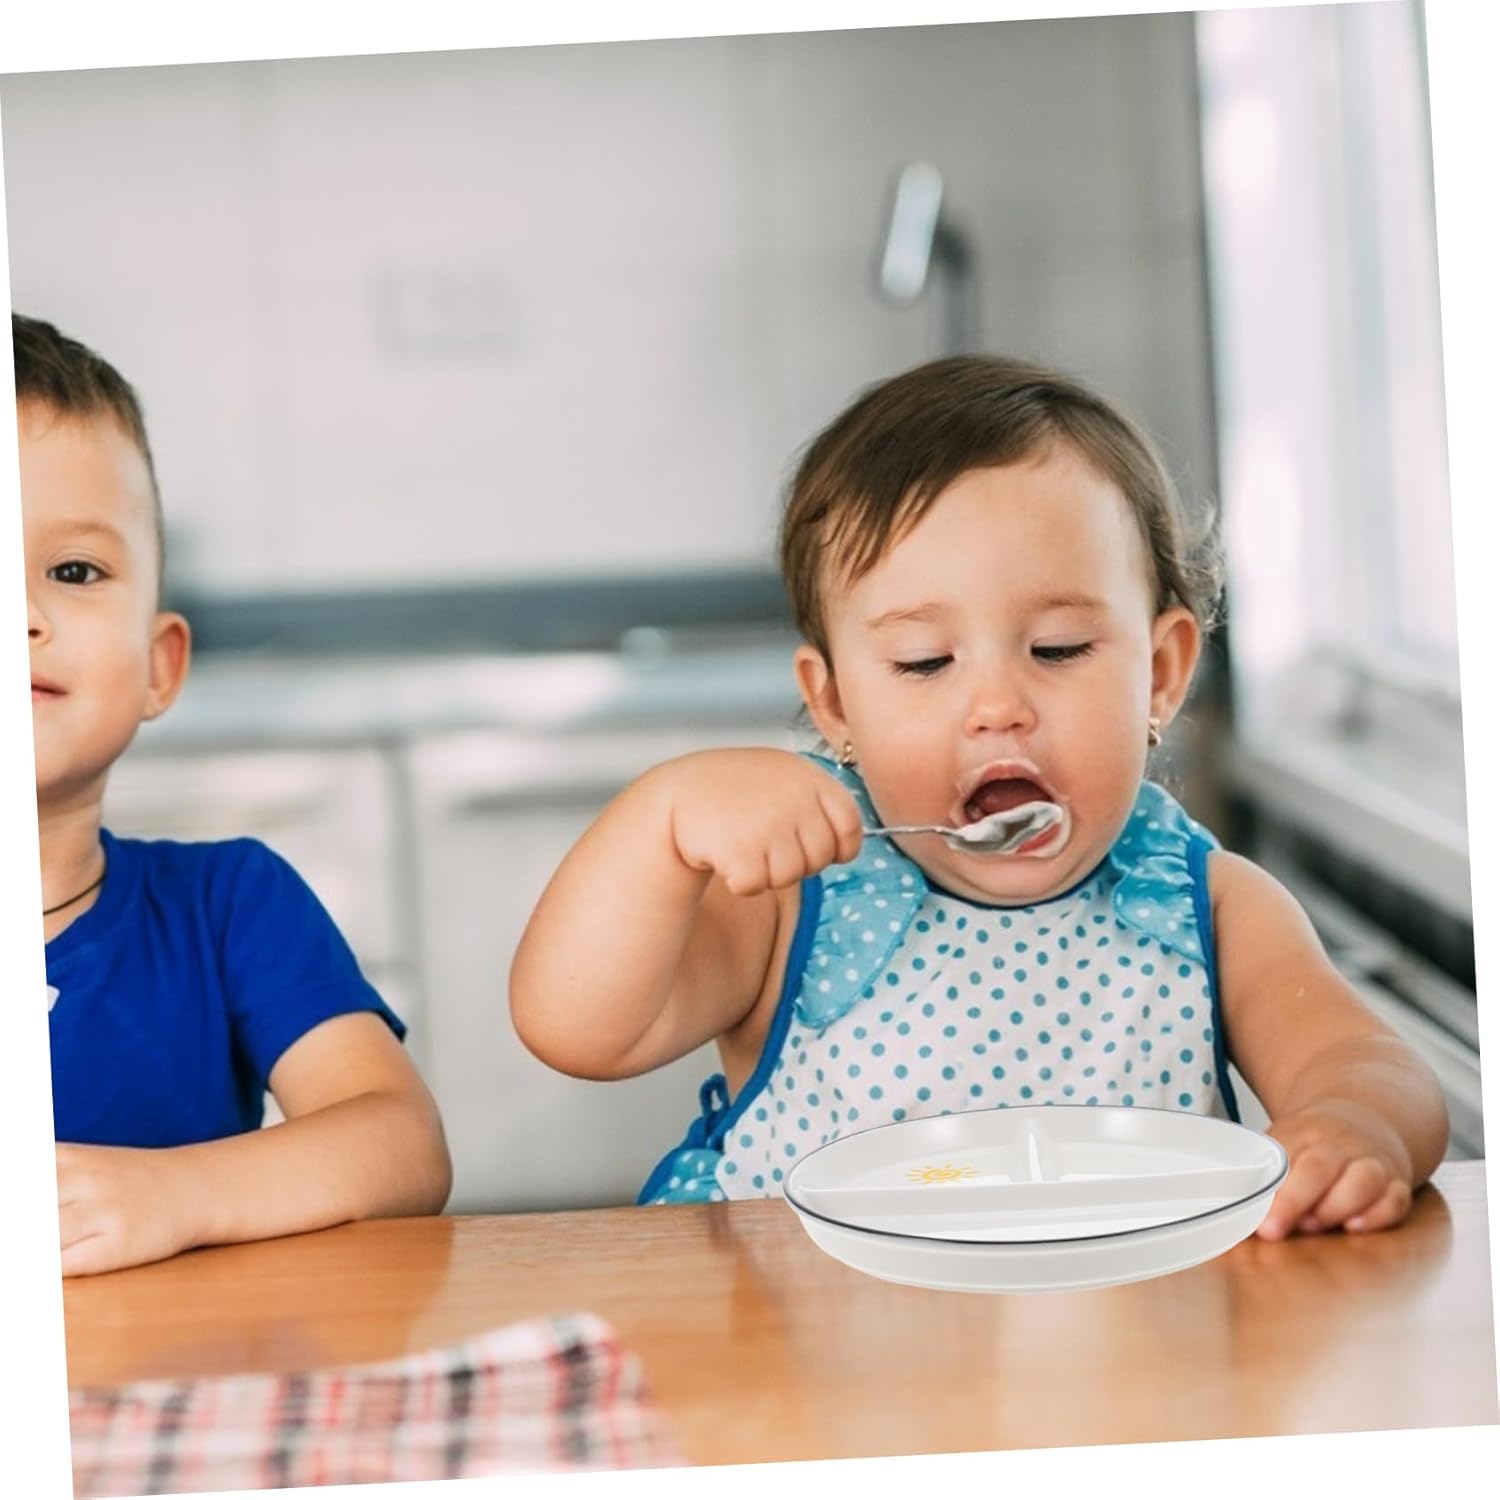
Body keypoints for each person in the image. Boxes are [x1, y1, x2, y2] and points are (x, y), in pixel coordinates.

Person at [510, 354, 1448, 1239]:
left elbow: (1368, 1066)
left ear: (1160, 673)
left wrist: (1353, 1126)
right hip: (814, 1370)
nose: (998, 707)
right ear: (834, 703)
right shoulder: (795, 901)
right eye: (925, 662)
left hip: (1139, 1353)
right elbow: (576, 1027)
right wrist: (659, 820)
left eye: (1058, 650)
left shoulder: (1209, 907)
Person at [18, 313, 452, 1275]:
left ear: (159, 665)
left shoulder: (230, 905)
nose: (26, 612)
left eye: (73, 570)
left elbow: (404, 1148)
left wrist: (173, 1194)